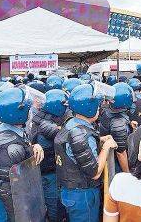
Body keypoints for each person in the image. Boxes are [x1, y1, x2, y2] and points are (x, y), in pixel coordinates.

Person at [54, 84, 118, 222]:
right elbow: (95, 173)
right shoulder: (81, 134)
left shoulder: (71, 123)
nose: (100, 108)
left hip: (70, 191)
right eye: (97, 105)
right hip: (82, 195)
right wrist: (106, 147)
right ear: (89, 108)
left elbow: (73, 147)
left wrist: (99, 140)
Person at [0, 87, 45, 222]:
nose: (30, 112)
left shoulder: (10, 128)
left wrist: (34, 146)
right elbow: (13, 184)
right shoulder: (9, 146)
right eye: (27, 109)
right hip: (8, 203)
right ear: (16, 113)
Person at [29, 89, 71, 221]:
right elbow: (64, 134)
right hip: (49, 172)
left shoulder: (41, 116)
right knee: (54, 205)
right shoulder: (46, 124)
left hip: (44, 171)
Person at [99, 82, 134, 173]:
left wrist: (129, 124)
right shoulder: (118, 123)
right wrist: (127, 174)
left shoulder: (107, 109)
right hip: (116, 163)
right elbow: (121, 153)